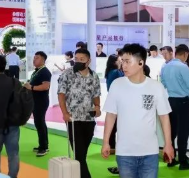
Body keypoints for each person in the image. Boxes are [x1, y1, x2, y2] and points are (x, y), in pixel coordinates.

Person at [101, 43, 174, 178]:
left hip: (150, 152)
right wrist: (105, 142)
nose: (124, 66)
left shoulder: (156, 87)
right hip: (125, 152)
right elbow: (111, 115)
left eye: (128, 62)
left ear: (141, 63)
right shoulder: (117, 85)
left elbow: (164, 117)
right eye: (122, 61)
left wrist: (168, 144)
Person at [57, 47, 100, 178]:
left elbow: (96, 94)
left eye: (82, 59)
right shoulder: (67, 74)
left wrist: (97, 107)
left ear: (88, 61)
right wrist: (65, 113)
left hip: (89, 119)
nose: (78, 61)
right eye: (76, 59)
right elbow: (61, 94)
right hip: (73, 120)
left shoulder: (94, 76)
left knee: (82, 155)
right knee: (79, 155)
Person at [160, 44, 189, 170]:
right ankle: (183, 161)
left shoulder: (165, 66)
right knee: (183, 132)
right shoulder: (183, 66)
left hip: (170, 101)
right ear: (185, 54)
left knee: (172, 132)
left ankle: (171, 158)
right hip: (183, 102)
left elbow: (163, 83)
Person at [26, 52, 51, 157]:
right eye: (34, 58)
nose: (34, 59)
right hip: (35, 101)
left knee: (40, 123)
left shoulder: (45, 72)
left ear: (43, 60)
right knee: (39, 123)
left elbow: (46, 86)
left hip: (41, 101)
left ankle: (44, 147)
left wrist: (31, 87)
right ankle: (43, 144)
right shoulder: (37, 71)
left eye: (37, 58)